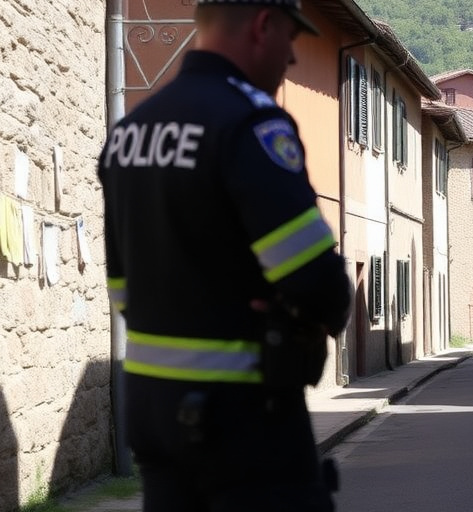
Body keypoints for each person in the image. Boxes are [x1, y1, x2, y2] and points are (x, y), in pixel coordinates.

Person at [98, 2, 350, 511]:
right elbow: (319, 282)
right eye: (289, 39)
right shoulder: (249, 123)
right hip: (242, 416)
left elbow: (123, 288)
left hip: (151, 409)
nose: (292, 60)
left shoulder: (129, 131)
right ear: (263, 25)